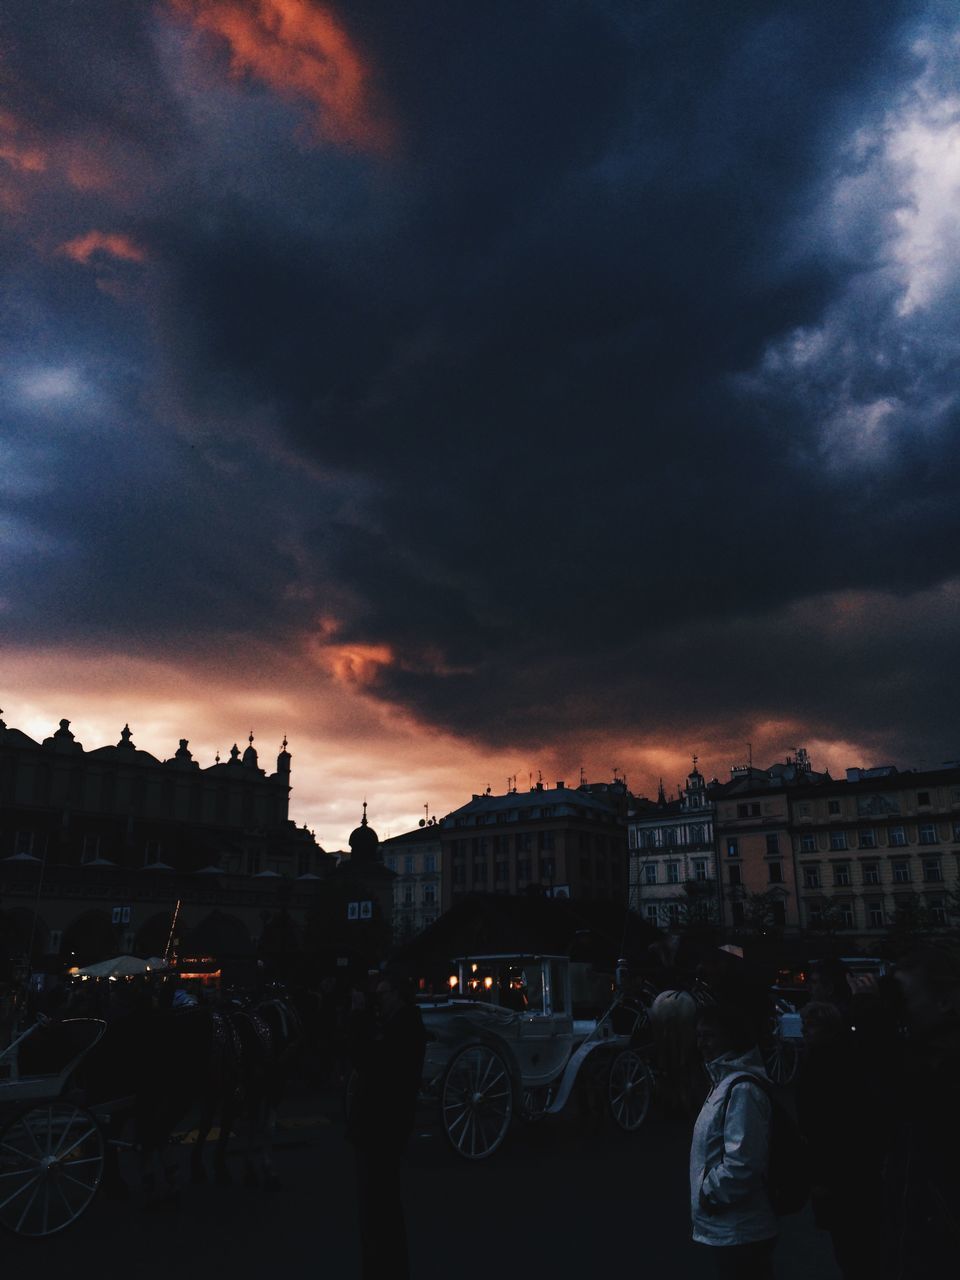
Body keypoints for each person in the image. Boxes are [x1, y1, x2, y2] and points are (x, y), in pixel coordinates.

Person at [882, 943, 960, 1279]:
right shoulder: (921, 1054)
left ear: (944, 1001)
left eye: (905, 997)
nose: (900, 1010)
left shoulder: (941, 1066)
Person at [795, 1001, 885, 1279]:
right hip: (860, 1166)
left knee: (848, 1244)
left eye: (810, 1026)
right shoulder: (851, 1057)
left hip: (836, 1167)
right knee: (861, 1241)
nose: (805, 1032)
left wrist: (819, 1176)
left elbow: (820, 1126)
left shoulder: (819, 1065)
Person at [346, 970, 427, 1280]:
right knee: (381, 1210)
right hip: (383, 1128)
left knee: (377, 1211)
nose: (376, 1001)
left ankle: (383, 1269)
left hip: (379, 1130)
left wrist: (357, 1017)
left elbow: (367, 1061)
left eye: (381, 995)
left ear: (397, 994)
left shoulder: (402, 1027)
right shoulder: (404, 1025)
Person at [690, 1004, 777, 1279]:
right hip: (734, 1225)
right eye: (699, 1036)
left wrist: (709, 1194)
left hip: (740, 1228)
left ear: (730, 1038)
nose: (701, 1044)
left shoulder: (741, 1090)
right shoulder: (725, 1083)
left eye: (709, 1036)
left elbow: (743, 1163)